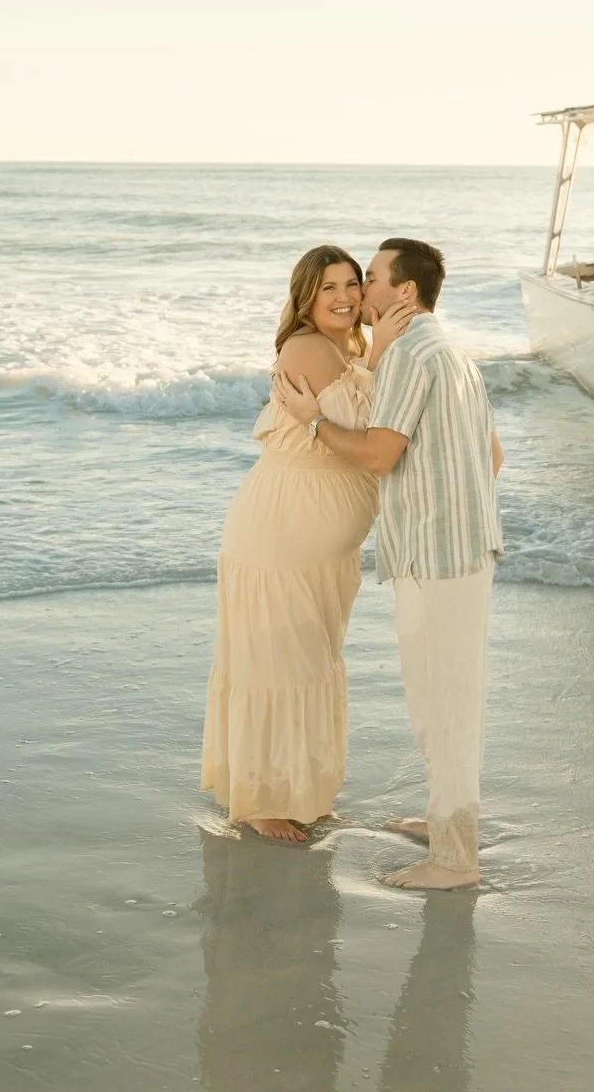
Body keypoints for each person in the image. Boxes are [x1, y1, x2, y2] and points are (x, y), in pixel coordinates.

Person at [279, 238, 504, 890]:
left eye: (372, 277)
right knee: (448, 697)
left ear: (405, 291)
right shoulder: (452, 351)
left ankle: (455, 860)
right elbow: (493, 458)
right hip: (464, 550)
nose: (361, 290)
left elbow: (380, 454)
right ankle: (445, 821)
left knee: (442, 704)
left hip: (436, 557)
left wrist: (312, 421)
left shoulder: (406, 354)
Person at [200, 244, 408, 842]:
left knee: (311, 660)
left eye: (352, 284)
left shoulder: (351, 350)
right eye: (328, 288)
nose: (344, 297)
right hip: (282, 530)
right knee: (277, 660)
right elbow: (369, 430)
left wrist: (376, 350)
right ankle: (261, 799)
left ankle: (303, 791)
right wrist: (385, 352)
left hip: (321, 544)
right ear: (306, 298)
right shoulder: (308, 348)